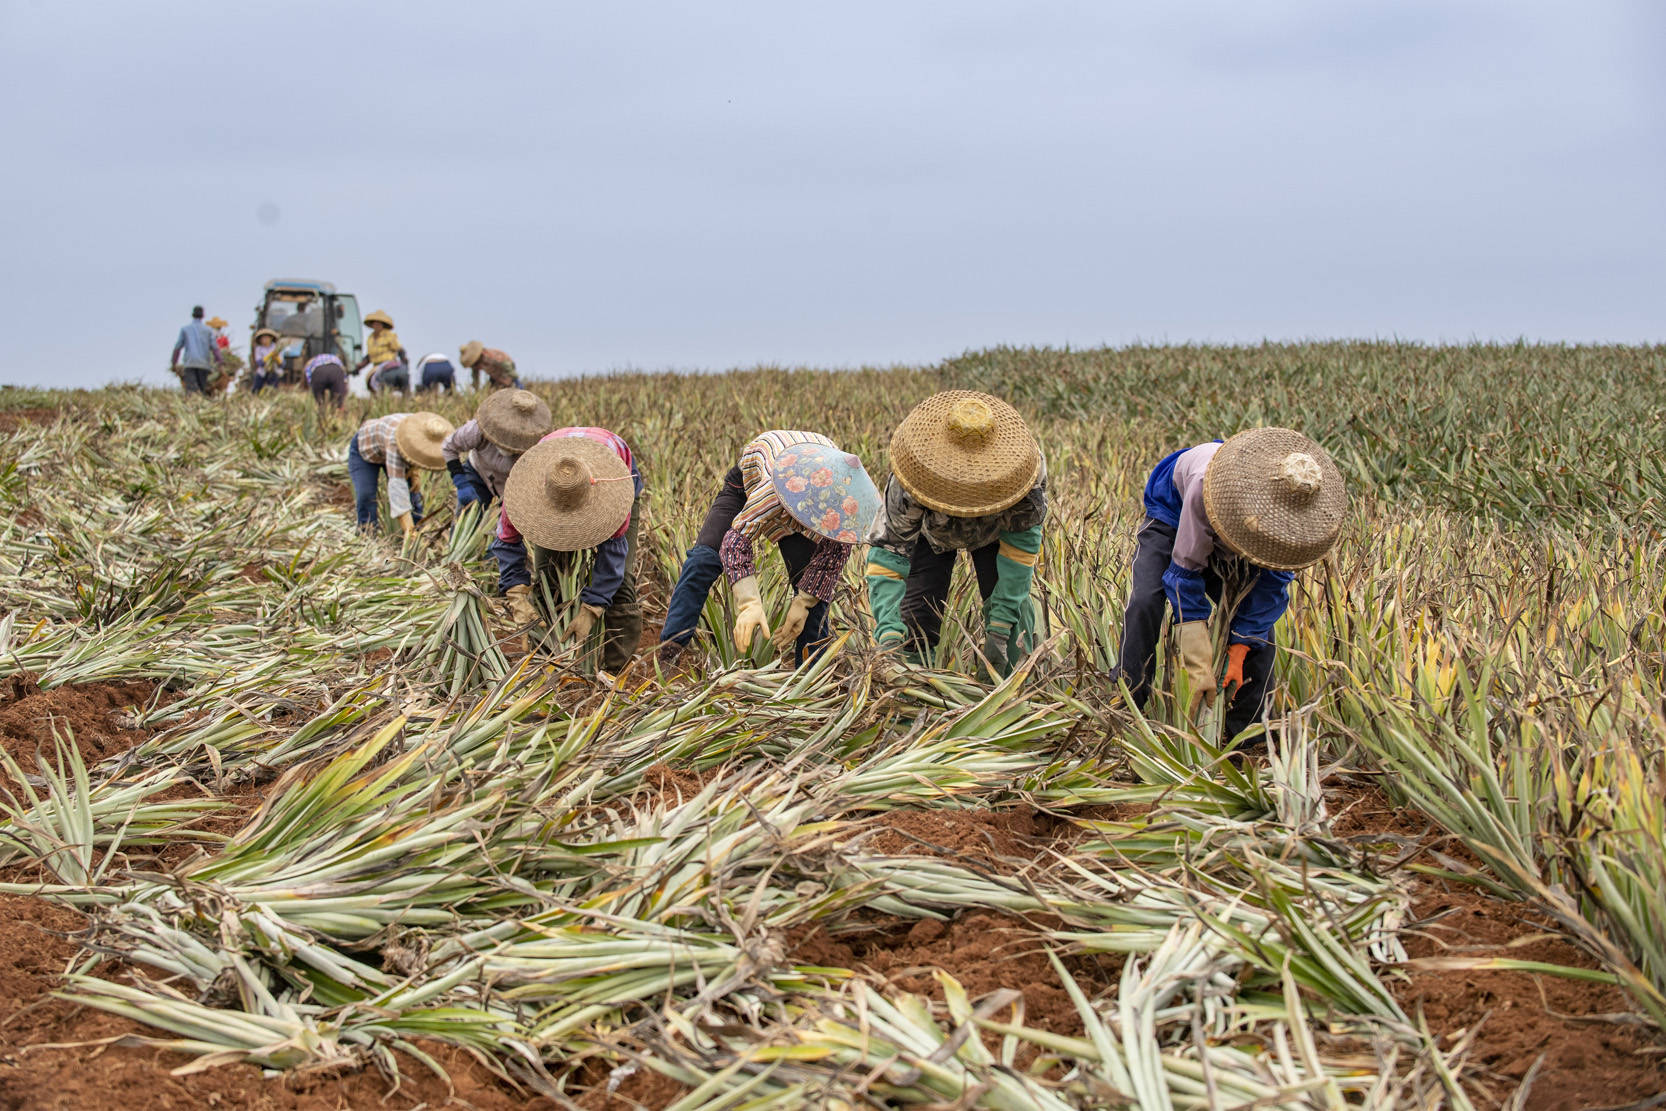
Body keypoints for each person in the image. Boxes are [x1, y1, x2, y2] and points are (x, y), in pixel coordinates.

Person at [1113, 428, 1346, 739]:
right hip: (1176, 513)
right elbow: (1185, 571)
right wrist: (1197, 663)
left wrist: (1239, 647)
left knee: (1259, 635)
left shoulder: (1294, 528)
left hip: (1250, 529)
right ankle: (1128, 705)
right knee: (1145, 600)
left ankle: (1248, 734)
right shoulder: (1208, 485)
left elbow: (1271, 585)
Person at [659, 431, 880, 668]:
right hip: (750, 482)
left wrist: (804, 601)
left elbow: (831, 558)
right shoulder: (772, 489)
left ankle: (809, 679)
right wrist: (749, 602)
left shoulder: (847, 503)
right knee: (703, 559)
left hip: (814, 482)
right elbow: (736, 541)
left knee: (814, 591)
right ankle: (670, 650)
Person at [865, 390, 1046, 679]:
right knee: (913, 620)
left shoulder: (1021, 470)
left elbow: (1020, 550)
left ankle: (1015, 688)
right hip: (930, 533)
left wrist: (1000, 627)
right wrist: (888, 633)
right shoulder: (915, 470)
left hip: (994, 533)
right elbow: (888, 556)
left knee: (1014, 628)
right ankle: (911, 697)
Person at [500, 427, 643, 672]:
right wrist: (516, 596)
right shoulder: (523, 493)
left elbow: (613, 554)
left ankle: (614, 670)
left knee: (622, 583)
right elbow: (507, 541)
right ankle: (546, 659)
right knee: (547, 575)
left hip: (609, 477)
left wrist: (592, 608)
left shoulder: (614, 496)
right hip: (551, 480)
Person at [442, 389, 552, 603]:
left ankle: (492, 580)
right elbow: (449, 447)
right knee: (465, 526)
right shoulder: (478, 430)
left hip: (512, 489)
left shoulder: (536, 443)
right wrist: (461, 482)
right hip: (478, 477)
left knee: (502, 537)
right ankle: (453, 575)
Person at [347, 411, 454, 537]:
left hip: (387, 445)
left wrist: (415, 473)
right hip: (365, 450)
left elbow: (418, 452)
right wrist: (409, 531)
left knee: (412, 490)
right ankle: (366, 535)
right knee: (366, 494)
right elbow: (397, 488)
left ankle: (421, 533)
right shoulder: (395, 441)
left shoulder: (424, 426)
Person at [170, 306, 223, 396]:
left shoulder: (185, 329)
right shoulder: (208, 330)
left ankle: (193, 406)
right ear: (202, 316)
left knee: (191, 390)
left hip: (190, 363)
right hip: (204, 364)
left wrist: (174, 362)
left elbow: (178, 347)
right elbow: (215, 348)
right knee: (201, 388)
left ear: (193, 315)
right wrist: (220, 361)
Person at [359, 310, 409, 394]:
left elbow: (399, 349)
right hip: (376, 367)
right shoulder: (370, 338)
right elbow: (370, 356)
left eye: (379, 324)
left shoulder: (389, 335)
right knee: (370, 381)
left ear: (383, 325)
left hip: (388, 364)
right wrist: (359, 367)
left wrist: (404, 362)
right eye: (374, 324)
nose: (376, 326)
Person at [250, 328, 282, 393]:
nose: (264, 340)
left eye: (266, 338)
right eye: (262, 338)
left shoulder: (277, 348)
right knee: (256, 390)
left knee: (272, 390)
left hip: (273, 371)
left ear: (271, 338)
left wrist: (276, 358)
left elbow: (281, 364)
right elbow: (260, 363)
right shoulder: (259, 349)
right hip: (262, 372)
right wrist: (269, 356)